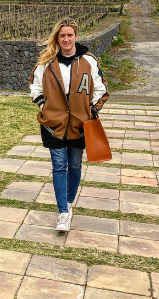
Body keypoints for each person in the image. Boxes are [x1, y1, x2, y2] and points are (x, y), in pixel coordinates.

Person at [29, 18, 109, 232]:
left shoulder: (89, 61)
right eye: (62, 35)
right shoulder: (45, 63)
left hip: (79, 124)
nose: (66, 39)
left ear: (75, 36)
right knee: (58, 166)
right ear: (57, 37)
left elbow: (101, 88)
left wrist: (91, 111)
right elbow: (35, 88)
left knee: (74, 166)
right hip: (53, 124)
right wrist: (43, 106)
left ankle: (69, 202)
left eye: (69, 35)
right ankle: (63, 211)